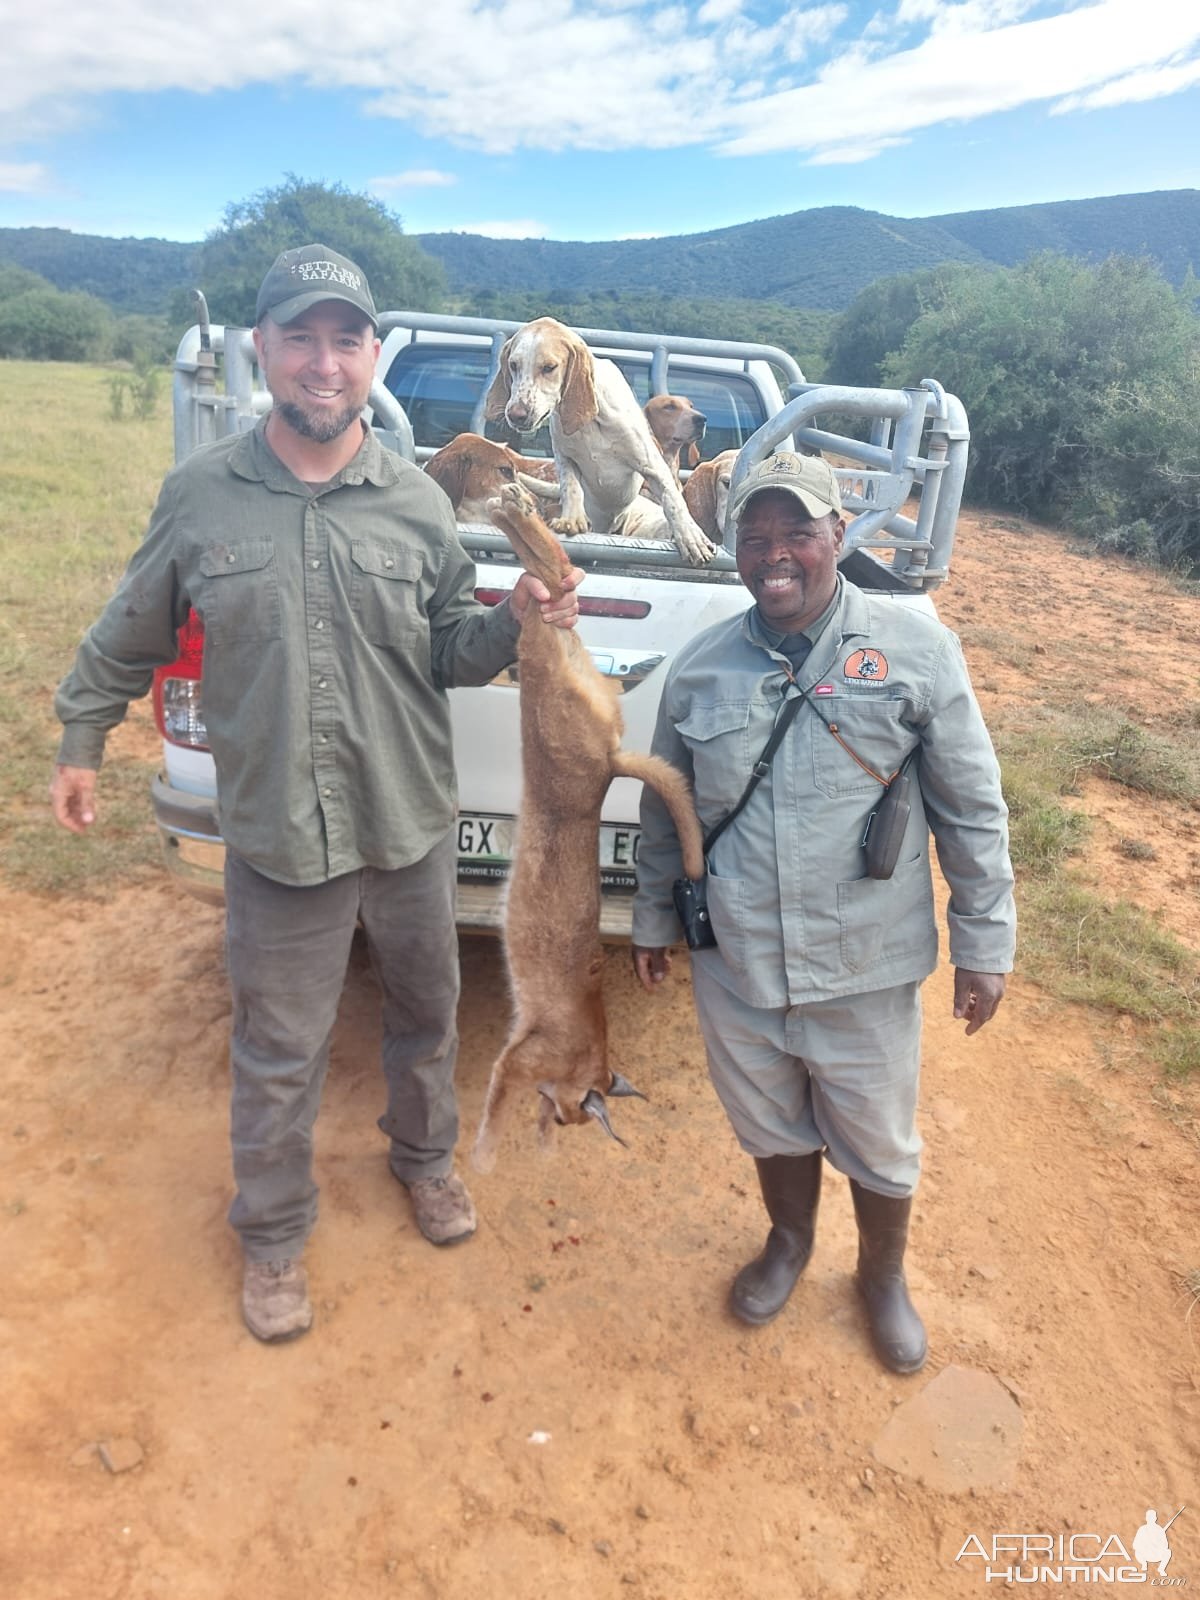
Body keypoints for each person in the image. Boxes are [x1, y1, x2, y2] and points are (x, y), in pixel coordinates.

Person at [50, 243, 583, 1344]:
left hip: (406, 820)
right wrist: (78, 737)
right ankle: (276, 1234)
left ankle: (425, 1164)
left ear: (372, 356)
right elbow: (130, 627)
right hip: (279, 831)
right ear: (265, 351)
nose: (324, 362)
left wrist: (517, 621)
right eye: (301, 336)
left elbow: (449, 645)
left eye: (346, 340)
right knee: (280, 1045)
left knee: (427, 1015)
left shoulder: (415, 503)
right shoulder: (200, 496)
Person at [631, 452, 1015, 1374]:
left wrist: (983, 942)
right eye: (754, 538)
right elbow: (664, 806)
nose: (775, 555)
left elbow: (970, 805)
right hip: (740, 961)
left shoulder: (916, 650)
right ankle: (789, 1243)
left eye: (797, 533)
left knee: (879, 1139)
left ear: (838, 535)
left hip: (865, 963)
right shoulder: (699, 669)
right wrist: (651, 918)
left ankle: (881, 1277)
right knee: (768, 1121)